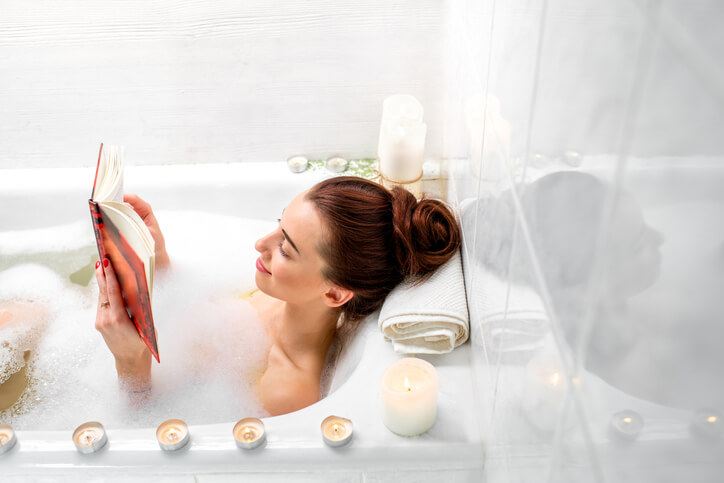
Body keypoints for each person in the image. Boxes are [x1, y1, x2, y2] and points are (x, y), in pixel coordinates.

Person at [94, 177, 461, 416]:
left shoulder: (285, 392)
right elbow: (196, 318)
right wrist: (157, 260)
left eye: (286, 249)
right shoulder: (277, 295)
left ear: (334, 293)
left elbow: (147, 431)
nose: (261, 244)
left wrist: (130, 364)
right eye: (278, 224)